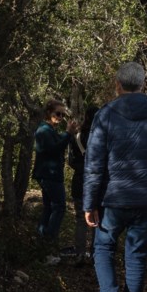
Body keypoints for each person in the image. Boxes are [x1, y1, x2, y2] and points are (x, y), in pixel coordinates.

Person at [84, 62, 147, 292]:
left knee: (103, 248)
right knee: (136, 254)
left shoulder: (105, 114)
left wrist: (88, 204)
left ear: (117, 85)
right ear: (143, 84)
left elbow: (93, 164)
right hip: (145, 197)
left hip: (112, 199)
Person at [33, 99, 79, 248]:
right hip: (49, 175)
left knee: (49, 208)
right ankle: (49, 243)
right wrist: (68, 133)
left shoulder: (49, 130)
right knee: (59, 207)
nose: (60, 117)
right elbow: (55, 149)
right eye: (57, 113)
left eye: (62, 114)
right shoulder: (44, 130)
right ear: (48, 113)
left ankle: (42, 243)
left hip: (50, 175)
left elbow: (60, 141)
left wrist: (69, 134)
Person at [65, 106, 98, 263]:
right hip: (97, 182)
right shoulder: (101, 136)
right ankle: (95, 253)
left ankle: (79, 253)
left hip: (79, 181)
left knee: (80, 218)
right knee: (97, 218)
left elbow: (70, 160)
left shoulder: (77, 137)